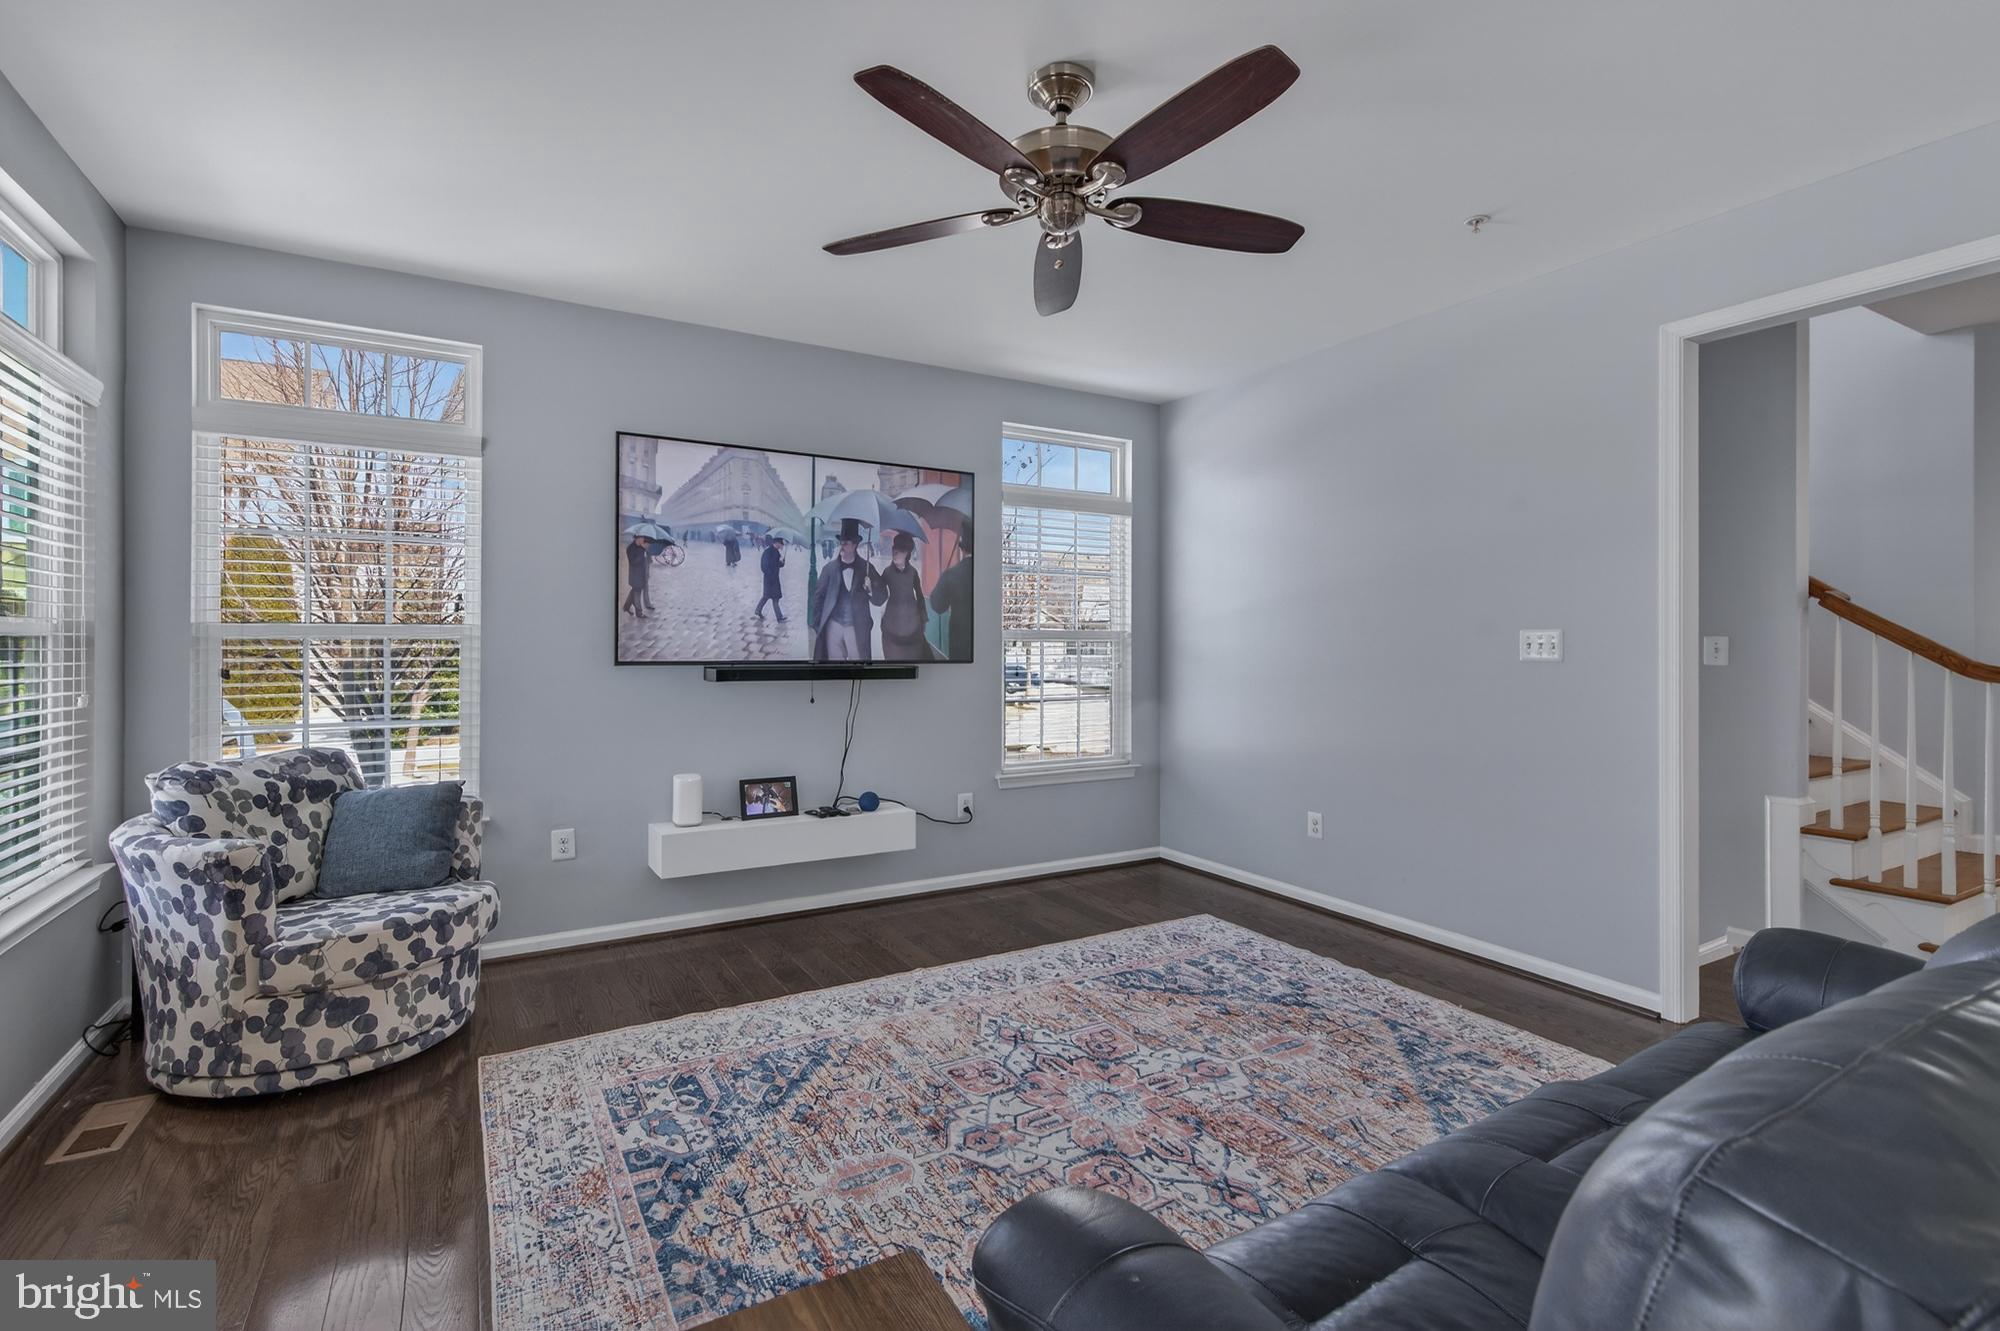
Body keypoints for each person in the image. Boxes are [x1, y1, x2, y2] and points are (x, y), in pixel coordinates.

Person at [812, 518, 884, 661]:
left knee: (857, 666)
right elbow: (817, 599)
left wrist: (871, 589)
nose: (842, 546)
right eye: (841, 543)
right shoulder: (829, 569)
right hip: (833, 626)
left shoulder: (866, 568)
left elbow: (881, 597)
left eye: (845, 543)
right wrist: (819, 625)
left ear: (854, 545)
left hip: (856, 628)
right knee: (834, 666)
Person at [877, 530, 932, 660]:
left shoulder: (913, 572)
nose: (895, 554)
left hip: (913, 623)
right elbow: (879, 595)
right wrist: (870, 585)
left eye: (900, 551)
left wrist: (923, 618)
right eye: (894, 550)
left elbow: (920, 596)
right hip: (892, 622)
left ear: (907, 553)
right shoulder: (887, 572)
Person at [927, 525, 974, 660]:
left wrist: (944, 579)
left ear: (962, 549)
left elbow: (938, 606)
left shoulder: (952, 574)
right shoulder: (988, 574)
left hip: (960, 640)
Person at [756, 535, 788, 622]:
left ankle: (759, 610)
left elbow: (777, 565)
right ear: (776, 543)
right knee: (770, 597)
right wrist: (770, 575)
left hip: (775, 579)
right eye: (781, 544)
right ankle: (779, 617)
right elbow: (764, 566)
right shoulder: (768, 552)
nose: (781, 546)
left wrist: (782, 562)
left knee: (772, 597)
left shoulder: (776, 552)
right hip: (769, 579)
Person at [622, 534, 653, 617]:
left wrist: (646, 553)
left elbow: (647, 560)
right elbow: (633, 561)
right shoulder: (630, 548)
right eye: (642, 538)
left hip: (641, 574)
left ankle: (626, 607)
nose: (643, 539)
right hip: (635, 575)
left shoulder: (641, 548)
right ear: (637, 538)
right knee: (637, 593)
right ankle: (639, 613)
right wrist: (642, 555)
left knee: (634, 591)